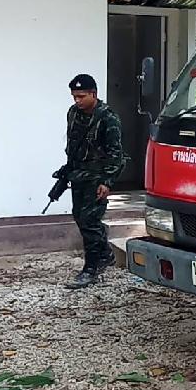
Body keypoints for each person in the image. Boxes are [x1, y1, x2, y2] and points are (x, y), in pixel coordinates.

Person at [63, 74, 125, 289]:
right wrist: (67, 169)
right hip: (78, 175)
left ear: (93, 94)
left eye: (81, 96)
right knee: (79, 217)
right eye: (74, 96)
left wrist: (107, 181)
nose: (77, 101)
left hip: (97, 177)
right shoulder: (73, 113)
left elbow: (116, 154)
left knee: (90, 221)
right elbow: (72, 144)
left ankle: (91, 269)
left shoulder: (108, 118)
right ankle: (105, 254)